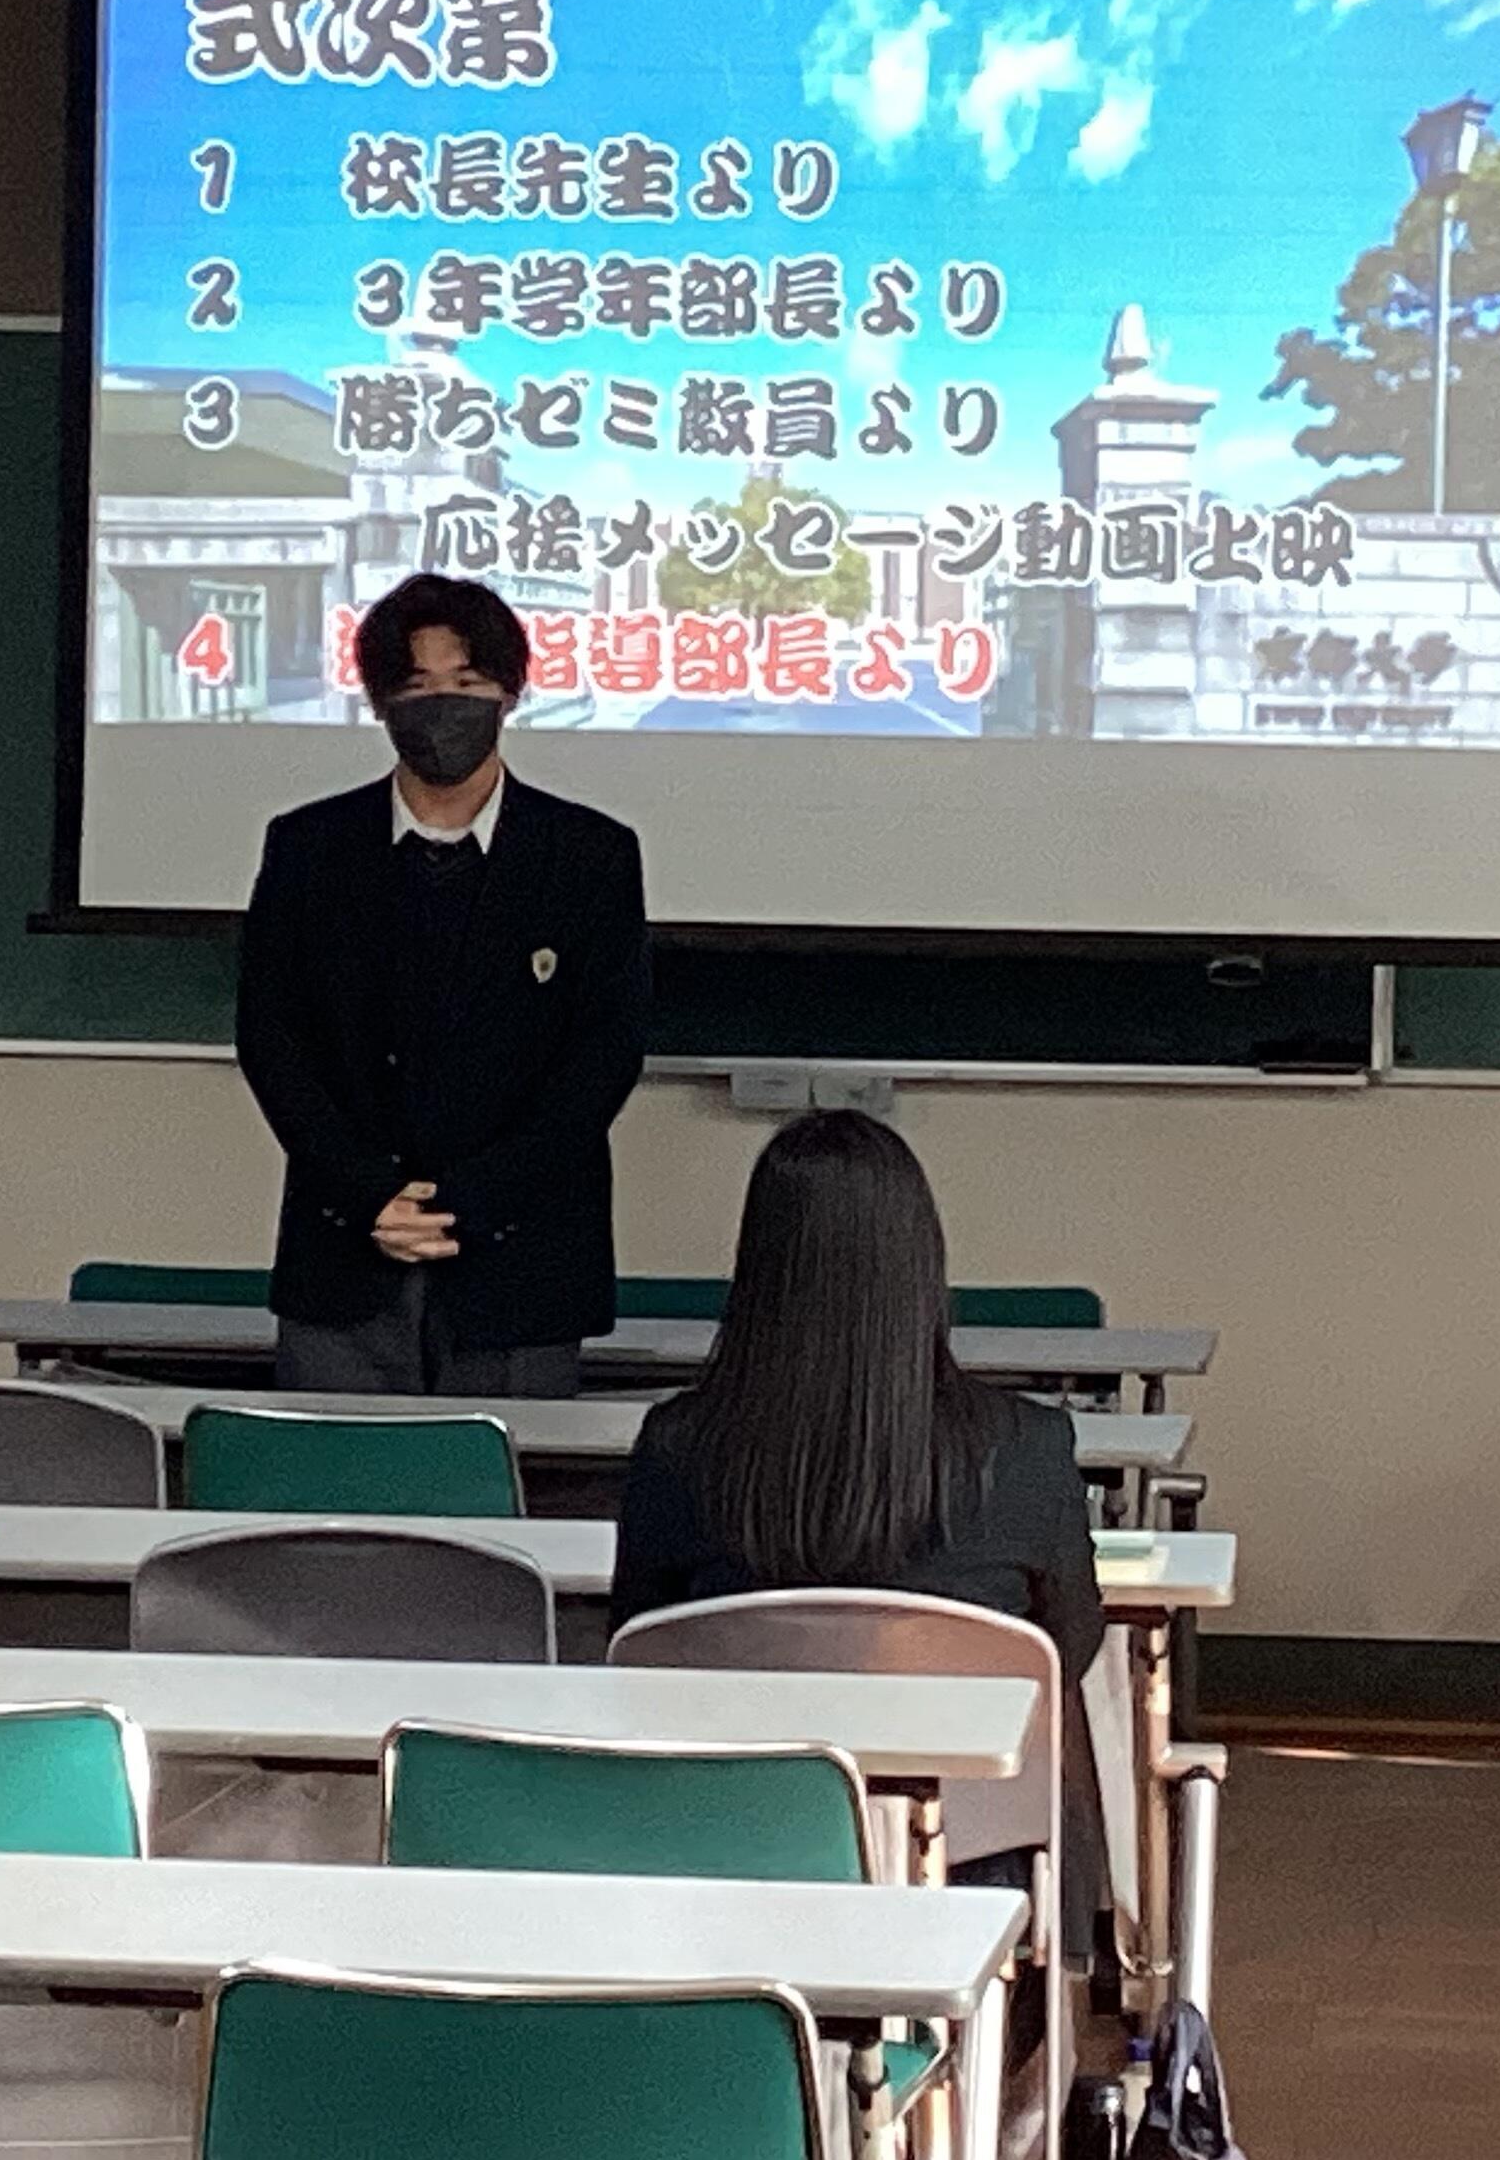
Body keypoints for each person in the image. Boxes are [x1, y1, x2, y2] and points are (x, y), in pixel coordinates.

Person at [235, 572, 650, 1397]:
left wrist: (465, 1202)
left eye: (466, 683)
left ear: (510, 694)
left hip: (520, 1263)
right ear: (380, 702)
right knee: (334, 1479)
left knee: (514, 1478)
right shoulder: (309, 847)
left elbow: (602, 1060)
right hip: (345, 1255)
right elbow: (272, 1042)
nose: (443, 709)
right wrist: (369, 1197)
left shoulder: (589, 855)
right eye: (418, 687)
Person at [609, 1108, 1105, 1683]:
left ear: (758, 1265)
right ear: (922, 1260)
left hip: (741, 1742)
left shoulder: (676, 1447)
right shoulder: (1028, 1447)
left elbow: (639, 1646)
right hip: (951, 1744)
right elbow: (1066, 1651)